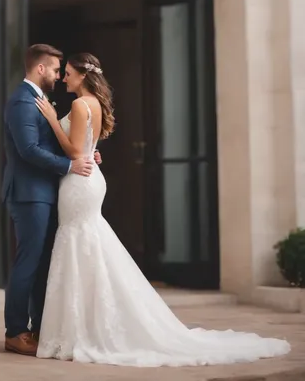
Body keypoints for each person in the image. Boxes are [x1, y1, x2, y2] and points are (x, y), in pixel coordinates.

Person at [34, 52, 291, 367]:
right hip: (89, 179)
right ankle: (86, 326)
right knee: (89, 245)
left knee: (81, 242)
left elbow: (75, 150)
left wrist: (50, 119)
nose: (63, 78)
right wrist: (89, 152)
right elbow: (88, 147)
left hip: (79, 182)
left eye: (68, 73)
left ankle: (83, 330)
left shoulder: (78, 104)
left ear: (82, 75)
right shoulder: (96, 104)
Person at [3, 44, 102, 357]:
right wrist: (70, 164)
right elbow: (28, 150)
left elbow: (55, 141)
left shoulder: (40, 99)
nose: (60, 76)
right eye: (57, 70)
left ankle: (38, 328)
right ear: (41, 68)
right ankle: (15, 332)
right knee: (28, 263)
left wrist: (85, 153)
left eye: (64, 72)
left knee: (43, 263)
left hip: (47, 192)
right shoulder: (21, 101)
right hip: (29, 195)